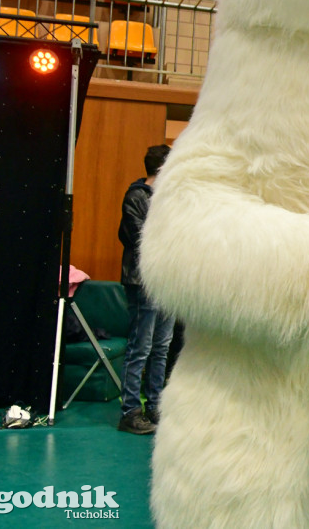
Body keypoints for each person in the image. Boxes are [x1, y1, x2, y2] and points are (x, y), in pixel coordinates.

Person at [117, 144, 175, 435]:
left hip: (166, 283)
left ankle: (154, 405)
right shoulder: (136, 197)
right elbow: (140, 239)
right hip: (143, 283)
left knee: (161, 347)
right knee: (140, 348)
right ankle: (129, 411)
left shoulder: (170, 199)